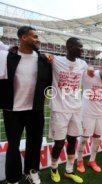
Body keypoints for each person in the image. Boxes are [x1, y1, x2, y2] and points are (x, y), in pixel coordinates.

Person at [0, 26, 52, 184]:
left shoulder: (43, 60)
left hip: (35, 110)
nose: (38, 39)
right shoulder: (7, 56)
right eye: (34, 36)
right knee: (13, 146)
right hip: (12, 110)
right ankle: (12, 178)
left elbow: (48, 83)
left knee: (34, 143)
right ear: (23, 37)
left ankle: (31, 171)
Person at [49, 37, 87, 183]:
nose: (82, 49)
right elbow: (41, 57)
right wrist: (46, 56)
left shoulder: (82, 64)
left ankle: (69, 171)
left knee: (72, 140)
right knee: (59, 143)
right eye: (79, 46)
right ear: (69, 46)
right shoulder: (56, 60)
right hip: (60, 109)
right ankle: (54, 168)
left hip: (76, 109)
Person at [76, 61, 102, 173]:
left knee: (97, 138)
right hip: (87, 113)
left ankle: (92, 160)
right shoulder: (89, 75)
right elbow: (77, 68)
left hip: (101, 113)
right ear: (100, 68)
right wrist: (89, 68)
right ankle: (79, 160)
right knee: (84, 139)